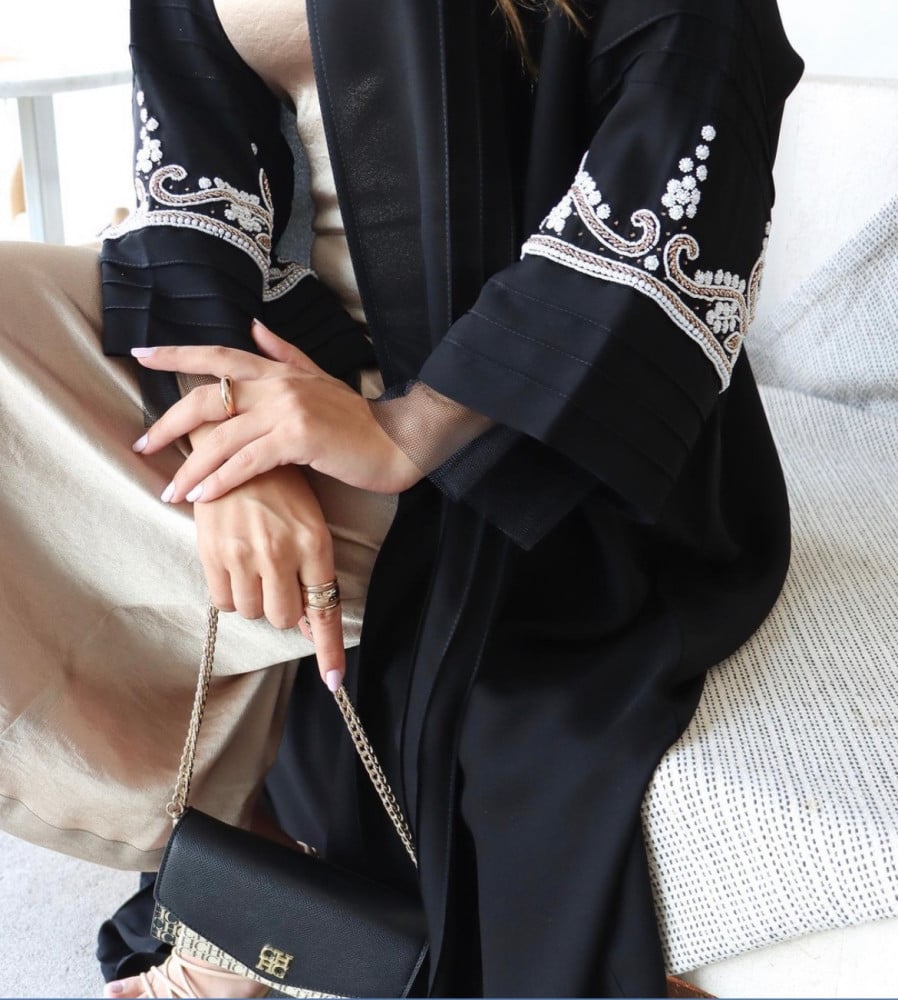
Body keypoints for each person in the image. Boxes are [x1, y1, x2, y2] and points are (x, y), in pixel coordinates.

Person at [0, 0, 803, 995]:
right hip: (290, 362)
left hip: (511, 413)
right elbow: (193, 200)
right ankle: (248, 855)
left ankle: (250, 901)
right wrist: (235, 453)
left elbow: (695, 116)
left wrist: (407, 428)